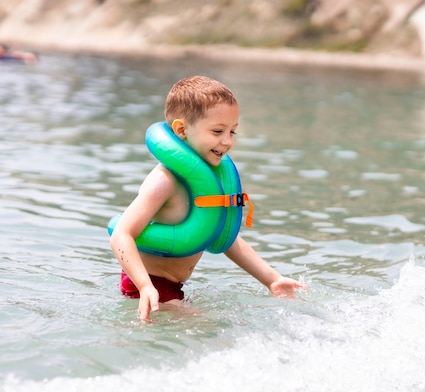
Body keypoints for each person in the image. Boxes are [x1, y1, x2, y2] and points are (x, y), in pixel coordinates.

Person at [109, 75, 305, 321]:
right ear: (181, 130)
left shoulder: (210, 182)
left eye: (232, 131)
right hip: (147, 285)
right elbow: (121, 235)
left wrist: (272, 279)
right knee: (215, 329)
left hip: (172, 287)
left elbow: (222, 236)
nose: (227, 141)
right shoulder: (164, 181)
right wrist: (146, 286)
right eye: (217, 131)